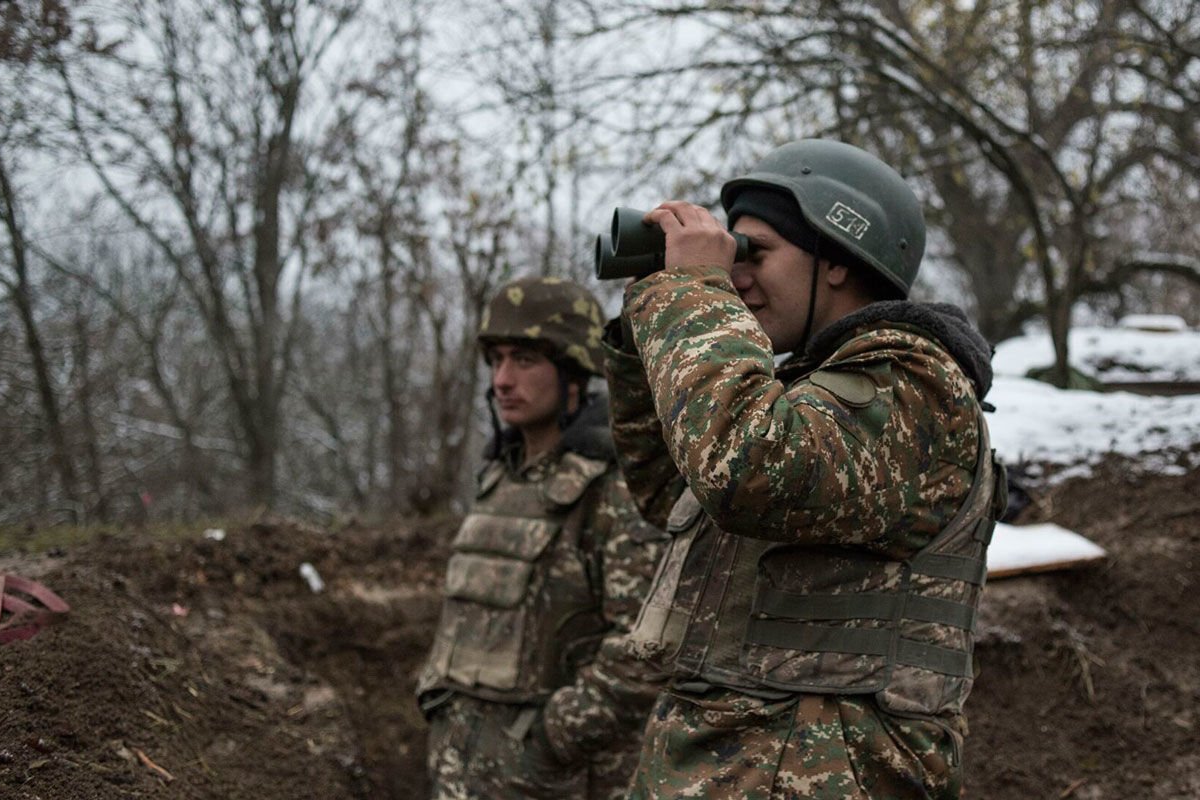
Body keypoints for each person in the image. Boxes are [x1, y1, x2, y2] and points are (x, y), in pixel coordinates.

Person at [602, 139, 1006, 799]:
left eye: (753, 252)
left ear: (838, 256)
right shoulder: (797, 396)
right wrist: (652, 322)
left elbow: (746, 469)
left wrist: (695, 297)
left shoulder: (914, 387)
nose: (734, 275)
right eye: (728, 258)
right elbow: (674, 491)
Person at [416, 276, 669, 800]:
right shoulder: (499, 477)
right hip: (465, 772)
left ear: (573, 372)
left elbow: (646, 650)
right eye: (496, 360)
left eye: (525, 360)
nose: (503, 380)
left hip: (555, 780)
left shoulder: (612, 487)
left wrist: (550, 739)